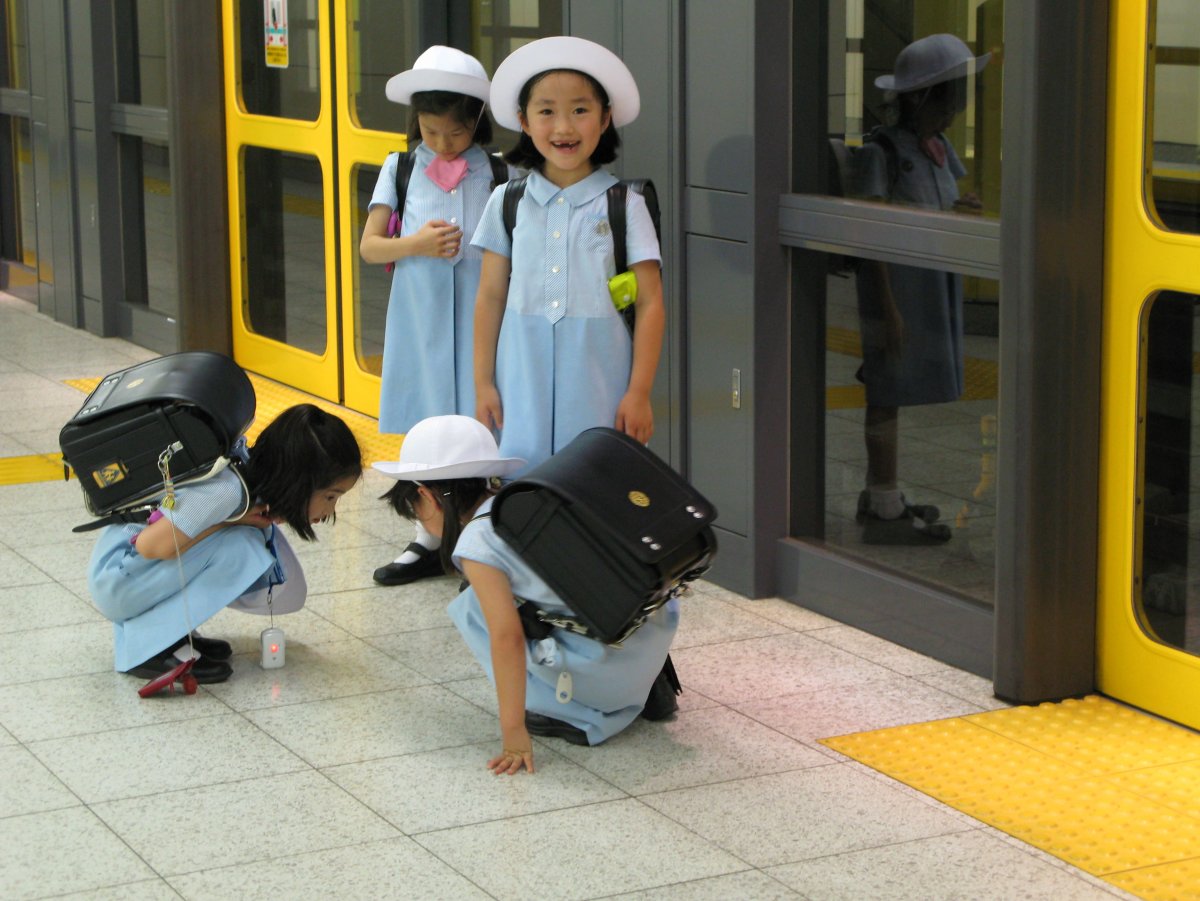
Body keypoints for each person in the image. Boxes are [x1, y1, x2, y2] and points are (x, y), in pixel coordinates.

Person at [375, 415, 680, 775]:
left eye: (413, 509)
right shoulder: (529, 499)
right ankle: (637, 687)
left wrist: (513, 732)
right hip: (648, 644)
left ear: (425, 495)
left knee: (473, 606)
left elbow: (507, 639)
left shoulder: (478, 543)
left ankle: (572, 714)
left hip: (605, 679)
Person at [472, 36, 665, 475]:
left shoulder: (625, 204)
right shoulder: (507, 201)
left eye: (580, 110)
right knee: (522, 488)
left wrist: (639, 392)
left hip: (601, 383)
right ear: (523, 120)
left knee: (598, 486)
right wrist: (483, 382)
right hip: (521, 380)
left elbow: (651, 303)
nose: (563, 127)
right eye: (546, 111)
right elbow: (489, 297)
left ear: (605, 117)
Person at [87, 404, 363, 684]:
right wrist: (231, 521)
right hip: (117, 580)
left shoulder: (243, 479)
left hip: (128, 576)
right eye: (330, 496)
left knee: (247, 541)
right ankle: (148, 650)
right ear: (300, 483)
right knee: (244, 549)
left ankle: (171, 636)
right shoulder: (227, 491)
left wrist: (236, 521)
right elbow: (150, 546)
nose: (330, 510)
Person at [360, 46, 501, 586]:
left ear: (478, 124)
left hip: (480, 328)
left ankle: (482, 544)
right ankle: (426, 540)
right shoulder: (399, 169)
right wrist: (414, 243)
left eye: (457, 133)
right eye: (431, 130)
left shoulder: (500, 173)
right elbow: (370, 247)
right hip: (419, 324)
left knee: (479, 433)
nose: (443, 143)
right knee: (425, 435)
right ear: (415, 120)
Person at [850, 33, 990, 544]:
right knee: (887, 388)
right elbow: (873, 234)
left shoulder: (937, 149)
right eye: (951, 97)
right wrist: (888, 310)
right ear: (923, 97)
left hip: (929, 284)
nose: (956, 110)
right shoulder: (882, 151)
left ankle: (881, 493)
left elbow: (931, 208)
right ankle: (884, 510)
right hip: (898, 287)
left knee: (900, 386)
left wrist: (960, 210)